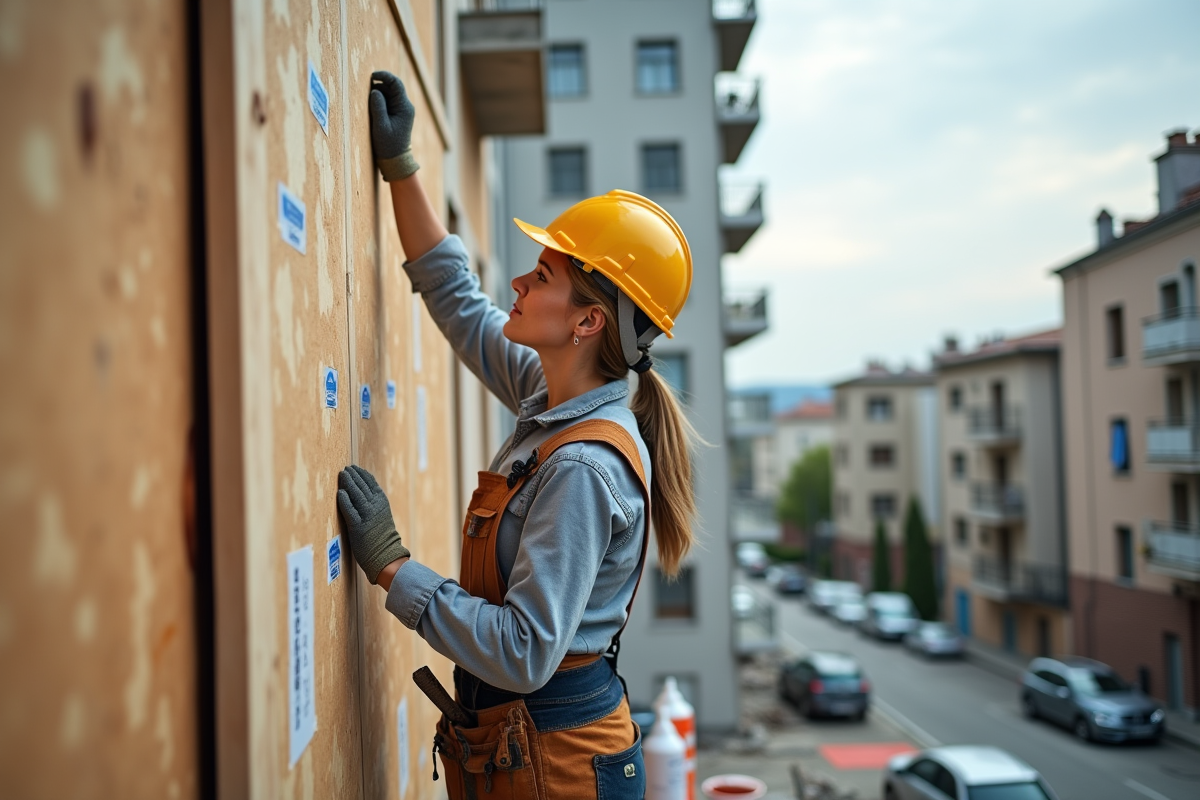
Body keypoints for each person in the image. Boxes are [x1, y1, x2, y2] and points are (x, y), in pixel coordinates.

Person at [335, 70, 698, 800]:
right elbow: (458, 302)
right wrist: (403, 169)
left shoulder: (585, 468)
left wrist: (392, 569)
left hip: (559, 765)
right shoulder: (548, 391)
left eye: (542, 275)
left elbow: (526, 650)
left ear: (586, 321)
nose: (519, 286)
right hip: (524, 745)